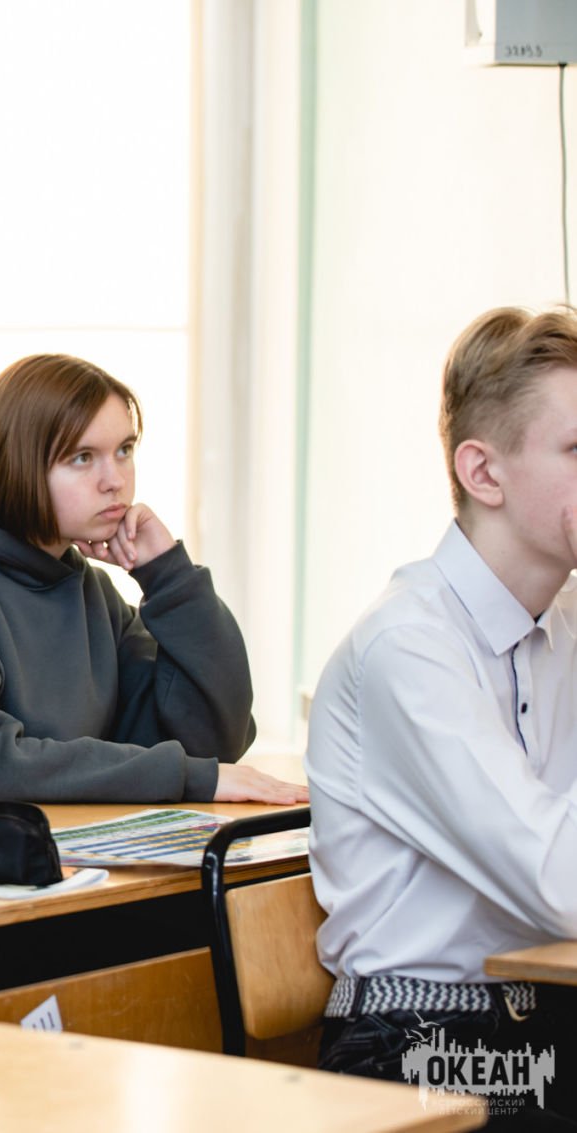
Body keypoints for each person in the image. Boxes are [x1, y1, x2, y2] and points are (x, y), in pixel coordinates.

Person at [307, 307, 577, 1122]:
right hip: (418, 1039)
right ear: (484, 472)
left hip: (538, 1019)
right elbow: (562, 884)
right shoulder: (408, 648)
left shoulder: (563, 620)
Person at [0, 353, 302, 805]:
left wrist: (169, 576)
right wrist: (184, 776)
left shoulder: (89, 591)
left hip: (68, 845)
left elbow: (211, 741)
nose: (115, 480)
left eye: (124, 450)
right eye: (83, 457)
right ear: (18, 464)